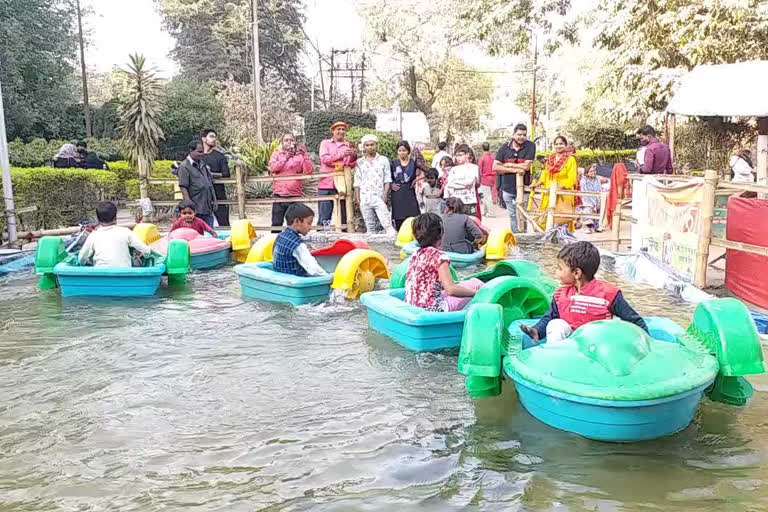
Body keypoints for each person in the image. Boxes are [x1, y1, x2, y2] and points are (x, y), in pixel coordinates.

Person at [520, 241, 648, 343]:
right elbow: (550, 317)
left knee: (616, 325)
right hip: (572, 346)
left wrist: (647, 344)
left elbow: (634, 320)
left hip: (599, 345)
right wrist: (536, 331)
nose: (556, 272)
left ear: (576, 273)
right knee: (555, 324)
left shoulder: (608, 294)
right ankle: (556, 359)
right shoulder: (560, 295)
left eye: (560, 268)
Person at [405, 213, 484, 312]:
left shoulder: (415, 254)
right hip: (432, 309)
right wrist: (476, 293)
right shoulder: (439, 257)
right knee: (479, 288)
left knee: (474, 282)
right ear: (441, 233)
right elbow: (451, 289)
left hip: (413, 305)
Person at [78, 201, 152, 268]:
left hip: (101, 276)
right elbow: (146, 250)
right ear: (115, 218)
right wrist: (144, 256)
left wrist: (84, 263)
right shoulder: (125, 232)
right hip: (125, 275)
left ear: (98, 219)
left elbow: (81, 258)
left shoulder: (93, 235)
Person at [493, 124, 535, 232]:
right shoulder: (504, 148)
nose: (521, 137)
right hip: (508, 188)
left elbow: (526, 167)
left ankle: (523, 238)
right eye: (519, 134)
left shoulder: (530, 146)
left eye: (524, 135)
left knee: (522, 216)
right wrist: (515, 169)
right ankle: (515, 238)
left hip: (524, 188)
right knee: (512, 216)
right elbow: (495, 167)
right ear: (513, 135)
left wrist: (508, 165)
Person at [268, 133, 313, 232]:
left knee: (296, 224)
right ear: (282, 143)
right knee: (276, 224)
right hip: (279, 194)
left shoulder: (300, 156)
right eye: (286, 140)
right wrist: (286, 157)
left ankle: (294, 244)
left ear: (295, 142)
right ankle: (274, 244)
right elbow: (273, 168)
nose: (289, 142)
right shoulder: (276, 154)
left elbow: (308, 171)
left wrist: (305, 154)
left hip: (295, 195)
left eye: (291, 140)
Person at [532, 135, 578, 229]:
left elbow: (572, 178)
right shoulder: (551, 158)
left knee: (561, 219)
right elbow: (545, 173)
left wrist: (559, 187)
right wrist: (538, 183)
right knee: (545, 217)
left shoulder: (571, 159)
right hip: (549, 191)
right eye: (556, 144)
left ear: (565, 145)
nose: (558, 146)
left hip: (563, 193)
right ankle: (546, 239)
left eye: (561, 143)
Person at [354, 134, 396, 235]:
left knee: (387, 225)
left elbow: (387, 179)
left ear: (376, 145)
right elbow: (357, 181)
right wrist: (358, 198)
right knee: (370, 227)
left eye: (372, 144)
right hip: (365, 197)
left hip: (378, 196)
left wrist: (385, 195)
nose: (370, 147)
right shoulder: (359, 162)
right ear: (364, 147)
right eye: (367, 145)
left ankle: (393, 247)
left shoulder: (383, 160)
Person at [318, 121, 357, 226]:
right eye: (338, 129)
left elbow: (349, 165)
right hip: (326, 183)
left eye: (343, 129)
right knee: (324, 214)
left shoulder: (348, 145)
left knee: (344, 213)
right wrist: (341, 155)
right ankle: (322, 236)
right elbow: (325, 159)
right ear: (333, 131)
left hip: (342, 184)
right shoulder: (325, 143)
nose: (341, 131)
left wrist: (354, 156)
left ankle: (344, 237)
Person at [272, 203, 328, 277]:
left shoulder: (280, 236)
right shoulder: (297, 245)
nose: (310, 227)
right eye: (309, 223)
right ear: (297, 221)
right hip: (295, 283)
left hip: (280, 279)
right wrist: (329, 277)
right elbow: (314, 269)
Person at [177, 138, 216, 228]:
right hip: (195, 209)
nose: (201, 154)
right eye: (199, 152)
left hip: (207, 207)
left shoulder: (202, 164)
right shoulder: (184, 167)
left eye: (202, 152)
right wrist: (189, 206)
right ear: (191, 151)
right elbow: (183, 187)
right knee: (196, 235)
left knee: (209, 234)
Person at [200, 129, 230, 228]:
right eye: (211, 136)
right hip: (201, 197)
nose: (214, 139)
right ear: (204, 139)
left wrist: (210, 174)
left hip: (219, 195)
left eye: (215, 137)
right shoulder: (197, 156)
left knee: (224, 224)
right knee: (202, 225)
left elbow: (226, 174)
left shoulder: (220, 156)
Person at [390, 140, 421, 230]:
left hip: (409, 191)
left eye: (404, 150)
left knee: (413, 219)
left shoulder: (413, 162)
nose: (402, 153)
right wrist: (391, 185)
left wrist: (417, 179)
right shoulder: (393, 163)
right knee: (399, 219)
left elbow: (428, 171)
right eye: (400, 151)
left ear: (408, 151)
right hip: (397, 193)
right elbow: (387, 176)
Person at [444, 144, 480, 217]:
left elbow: (469, 182)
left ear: (467, 155)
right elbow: (449, 184)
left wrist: (456, 182)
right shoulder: (454, 169)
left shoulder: (474, 168)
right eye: (456, 155)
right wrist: (464, 184)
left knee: (471, 223)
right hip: (456, 203)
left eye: (460, 155)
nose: (458, 158)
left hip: (470, 201)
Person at [576, 164, 604, 232]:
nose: (593, 173)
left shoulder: (597, 179)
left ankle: (596, 226)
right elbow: (584, 192)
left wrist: (598, 201)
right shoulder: (583, 180)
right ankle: (585, 227)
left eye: (594, 171)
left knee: (601, 206)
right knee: (588, 207)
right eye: (591, 171)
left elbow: (599, 190)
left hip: (596, 198)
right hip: (586, 199)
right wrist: (592, 203)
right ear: (586, 173)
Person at [477, 142, 496, 216]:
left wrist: (479, 179)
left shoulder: (482, 158)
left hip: (485, 178)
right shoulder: (493, 157)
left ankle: (490, 213)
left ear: (482, 148)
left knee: (487, 196)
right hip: (493, 177)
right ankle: (485, 211)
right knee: (487, 195)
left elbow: (480, 170)